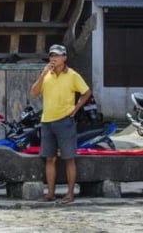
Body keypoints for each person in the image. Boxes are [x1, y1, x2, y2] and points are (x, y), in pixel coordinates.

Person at [30, 44, 92, 205]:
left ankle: (70, 193)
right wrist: (42, 74)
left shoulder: (72, 75)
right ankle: (50, 193)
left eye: (57, 56)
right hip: (47, 121)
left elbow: (86, 92)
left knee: (69, 158)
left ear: (64, 57)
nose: (53, 59)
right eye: (51, 56)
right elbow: (34, 93)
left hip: (65, 121)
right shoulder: (47, 75)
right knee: (49, 158)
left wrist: (76, 108)